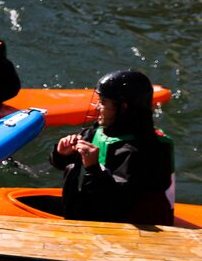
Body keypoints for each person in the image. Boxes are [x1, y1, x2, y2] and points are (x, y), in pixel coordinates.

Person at [50, 70, 174, 225]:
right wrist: (62, 154)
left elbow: (116, 204)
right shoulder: (100, 131)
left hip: (125, 226)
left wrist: (93, 168)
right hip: (93, 210)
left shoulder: (143, 151)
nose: (96, 107)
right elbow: (62, 164)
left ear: (123, 107)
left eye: (102, 102)